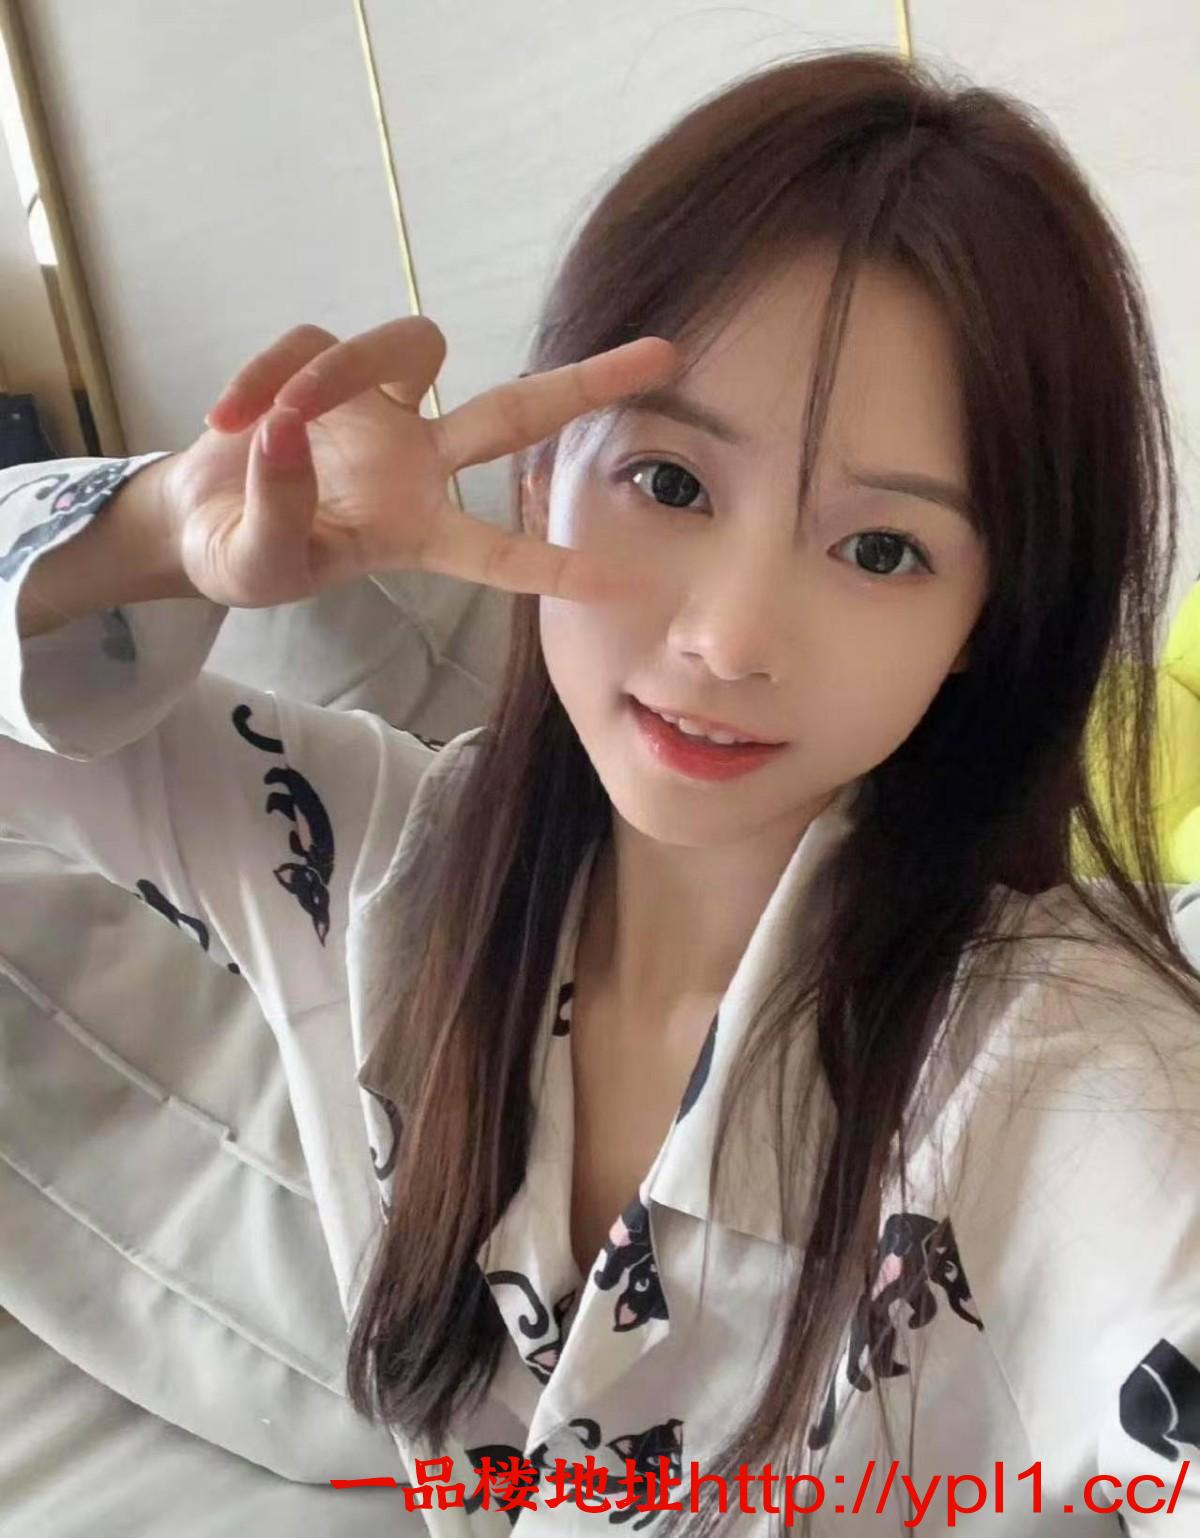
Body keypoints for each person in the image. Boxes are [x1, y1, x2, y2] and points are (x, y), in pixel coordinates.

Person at [2, 45, 1198, 1538]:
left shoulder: (1070, 1074)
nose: (730, 638)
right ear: (537, 476)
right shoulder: (375, 865)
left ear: (983, 627)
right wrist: (164, 529)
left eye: (882, 549)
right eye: (673, 484)